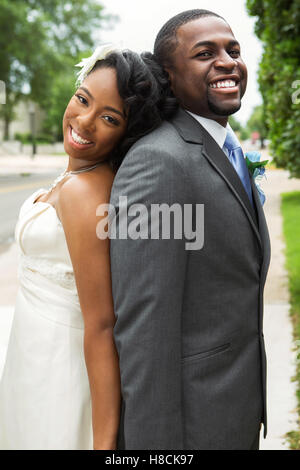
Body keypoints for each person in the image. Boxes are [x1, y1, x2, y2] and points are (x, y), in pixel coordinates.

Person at [110, 10, 270, 450]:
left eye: (232, 50)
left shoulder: (229, 149)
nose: (227, 61)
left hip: (234, 412)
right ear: (168, 75)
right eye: (205, 53)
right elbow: (145, 331)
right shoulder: (158, 162)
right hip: (191, 428)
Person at [0, 47, 175, 450]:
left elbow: (100, 325)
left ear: (127, 132)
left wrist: (103, 442)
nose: (84, 121)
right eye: (83, 99)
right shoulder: (77, 175)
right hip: (32, 355)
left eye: (109, 118)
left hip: (58, 370)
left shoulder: (84, 192)